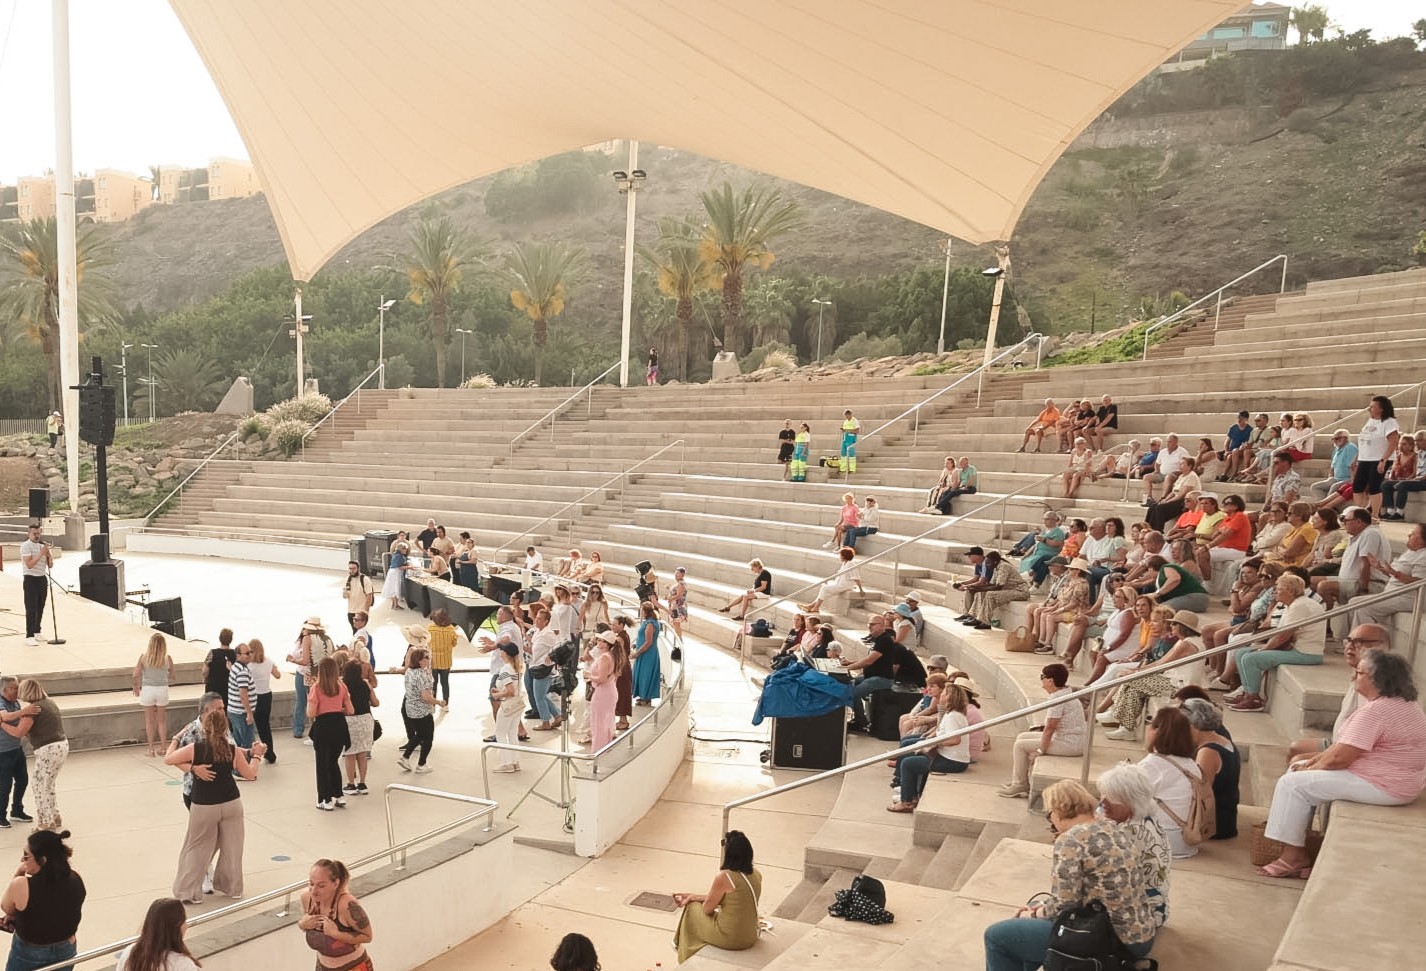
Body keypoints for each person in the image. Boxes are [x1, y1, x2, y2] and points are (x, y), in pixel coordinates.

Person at [1259, 650, 1426, 878]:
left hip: (1386, 785)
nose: (1353, 677)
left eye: (1359, 673)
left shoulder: (1376, 711)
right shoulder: (1406, 704)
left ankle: (1293, 857)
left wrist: (1310, 768)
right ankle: (1297, 844)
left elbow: (1341, 758)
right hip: (1398, 780)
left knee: (1292, 785)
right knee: (1298, 770)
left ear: (1377, 679)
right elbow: (1339, 748)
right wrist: (1311, 764)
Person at [983, 780, 1155, 971]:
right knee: (1031, 915)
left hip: (1108, 939)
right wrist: (1037, 909)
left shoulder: (1071, 840)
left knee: (996, 936)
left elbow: (1065, 904)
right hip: (1139, 934)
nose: (1051, 821)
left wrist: (1032, 914)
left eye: (1049, 815)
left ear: (1059, 810)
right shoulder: (1110, 827)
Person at [165, 706, 263, 901]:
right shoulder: (232, 750)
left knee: (196, 846)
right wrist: (258, 755)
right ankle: (232, 888)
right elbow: (250, 774)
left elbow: (169, 759)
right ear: (225, 728)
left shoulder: (196, 748)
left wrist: (176, 739)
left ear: (205, 728)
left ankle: (189, 892)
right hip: (231, 802)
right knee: (233, 847)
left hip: (204, 804)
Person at [1226, 573, 1327, 713]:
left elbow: (1283, 636)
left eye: (1279, 589)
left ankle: (1254, 700)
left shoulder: (1300, 606)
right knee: (1241, 652)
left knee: (1252, 658)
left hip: (1306, 653)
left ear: (1290, 591)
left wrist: (1264, 649)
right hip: (1293, 648)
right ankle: (1247, 693)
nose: (1275, 592)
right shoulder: (1290, 604)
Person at [1100, 610, 1204, 741]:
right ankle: (1125, 728)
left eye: (1174, 624)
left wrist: (1135, 672)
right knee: (1133, 687)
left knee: (1131, 680)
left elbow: (1160, 664)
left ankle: (1119, 717)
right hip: (1173, 679)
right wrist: (1136, 671)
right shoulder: (1186, 641)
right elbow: (1158, 663)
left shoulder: (1186, 644)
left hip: (1180, 685)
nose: (1171, 627)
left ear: (1183, 627)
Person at [1095, 764, 1171, 934]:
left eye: (1111, 798)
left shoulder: (1129, 832)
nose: (1102, 802)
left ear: (1131, 801)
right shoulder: (1147, 818)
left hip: (1136, 918)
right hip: (1157, 909)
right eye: (1103, 794)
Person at [0, 829, 86, 971]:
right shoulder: (75, 878)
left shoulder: (21, 885)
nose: (22, 860)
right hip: (66, 948)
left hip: (29, 952)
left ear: (43, 860)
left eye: (26, 856)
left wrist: (19, 872)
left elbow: (7, 907)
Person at [672, 830, 762, 963]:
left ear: (729, 853)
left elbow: (707, 909)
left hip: (730, 938)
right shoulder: (756, 874)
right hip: (750, 936)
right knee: (693, 902)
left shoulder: (724, 877)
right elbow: (733, 899)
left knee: (691, 908)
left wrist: (691, 900)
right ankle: (680, 945)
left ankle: (683, 952)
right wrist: (692, 896)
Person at [999, 663, 1086, 798]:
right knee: (1022, 737)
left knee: (1020, 746)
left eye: (1042, 677)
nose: (1041, 680)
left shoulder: (1058, 699)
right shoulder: (1064, 693)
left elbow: (1050, 729)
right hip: (1072, 738)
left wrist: (1040, 750)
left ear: (1050, 680)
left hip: (1070, 743)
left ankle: (1020, 784)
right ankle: (1020, 779)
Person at [888, 683, 973, 812]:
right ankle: (912, 795)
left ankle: (906, 802)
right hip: (949, 757)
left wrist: (934, 743)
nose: (942, 695)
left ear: (950, 697)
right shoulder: (953, 714)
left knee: (908, 763)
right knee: (912, 755)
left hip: (952, 761)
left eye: (945, 693)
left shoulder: (953, 717)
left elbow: (955, 739)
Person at [1138, 707, 1204, 858]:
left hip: (1161, 841)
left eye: (1150, 722)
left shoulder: (1152, 764)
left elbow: (1126, 798)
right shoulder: (1191, 764)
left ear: (1156, 731)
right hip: (1187, 840)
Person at [3, 681, 67, 833]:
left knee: (39, 787)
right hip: (61, 746)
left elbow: (18, 733)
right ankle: (54, 816)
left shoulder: (34, 709)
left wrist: (2, 724)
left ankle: (46, 823)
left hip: (48, 750)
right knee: (48, 784)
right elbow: (29, 730)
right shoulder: (49, 702)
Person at [299, 859, 374, 971]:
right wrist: (302, 924)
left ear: (335, 883)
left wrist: (335, 933)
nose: (314, 891)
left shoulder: (347, 904)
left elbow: (367, 937)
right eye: (311, 883)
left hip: (353, 967)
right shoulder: (307, 898)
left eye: (321, 886)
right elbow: (305, 925)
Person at [1180, 698, 1239, 840]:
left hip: (1215, 825)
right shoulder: (1223, 740)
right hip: (1227, 818)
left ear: (1192, 725)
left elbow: (1198, 794)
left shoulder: (1208, 752)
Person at [1352, 523, 1426, 628]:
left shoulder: (1424, 556)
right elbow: (1394, 574)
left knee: (1363, 607)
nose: (1409, 535)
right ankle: (1350, 637)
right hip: (1393, 593)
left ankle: (1364, 640)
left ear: (1421, 540)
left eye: (1413, 534)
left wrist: (1394, 573)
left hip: (1409, 598)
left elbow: (1419, 582)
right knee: (1353, 602)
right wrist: (1380, 568)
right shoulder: (1411, 552)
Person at [114, 897, 200, 971]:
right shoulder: (183, 964)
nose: (186, 926)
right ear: (176, 926)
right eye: (184, 921)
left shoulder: (130, 952)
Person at [1352, 394, 1400, 522]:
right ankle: (1360, 511)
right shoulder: (1370, 420)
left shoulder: (1389, 422)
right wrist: (1357, 458)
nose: (1369, 409)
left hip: (1379, 458)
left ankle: (1374, 515)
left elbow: (1393, 442)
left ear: (1381, 409)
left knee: (1374, 486)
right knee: (1357, 486)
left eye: (1372, 407)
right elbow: (1364, 440)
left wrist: (1383, 460)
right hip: (1365, 458)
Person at [398, 648, 444, 773]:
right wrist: (439, 702)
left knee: (419, 734)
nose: (429, 660)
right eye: (426, 658)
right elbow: (426, 697)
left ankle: (405, 757)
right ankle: (421, 764)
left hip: (411, 708)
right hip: (422, 711)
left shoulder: (410, 672)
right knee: (428, 737)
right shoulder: (421, 675)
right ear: (419, 661)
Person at [0, 679, 38, 830]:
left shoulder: (15, 702)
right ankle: (0, 816)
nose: (18, 691)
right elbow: (5, 717)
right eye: (15, 688)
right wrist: (25, 711)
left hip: (16, 749)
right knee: (4, 786)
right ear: (6, 689)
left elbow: (19, 720)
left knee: (22, 780)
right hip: (2, 753)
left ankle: (17, 810)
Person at [133, 632, 175, 757]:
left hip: (148, 689)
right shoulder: (167, 658)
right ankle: (163, 748)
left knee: (149, 721)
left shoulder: (143, 657)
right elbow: (173, 676)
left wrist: (135, 686)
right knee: (162, 721)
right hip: (162, 689)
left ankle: (151, 749)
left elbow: (135, 674)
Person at [341, 659, 377, 796]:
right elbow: (376, 702)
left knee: (350, 754)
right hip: (365, 721)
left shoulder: (342, 685)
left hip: (349, 721)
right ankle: (362, 783)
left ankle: (351, 784)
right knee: (362, 754)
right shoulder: (366, 684)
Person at [490, 643, 525, 773]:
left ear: (505, 653)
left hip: (508, 704)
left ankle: (507, 763)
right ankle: (515, 761)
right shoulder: (516, 667)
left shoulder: (505, 669)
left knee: (500, 733)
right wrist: (500, 689)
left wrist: (497, 694)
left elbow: (510, 690)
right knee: (512, 733)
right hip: (517, 704)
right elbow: (513, 687)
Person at [798, 547, 865, 613]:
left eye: (840, 555)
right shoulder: (845, 563)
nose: (839, 557)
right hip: (840, 583)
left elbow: (856, 577)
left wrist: (861, 589)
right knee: (825, 591)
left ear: (844, 556)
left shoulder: (851, 564)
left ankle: (816, 607)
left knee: (824, 589)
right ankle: (811, 606)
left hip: (844, 585)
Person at [246, 639, 280, 765]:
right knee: (265, 726)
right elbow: (277, 675)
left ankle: (252, 752)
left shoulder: (249, 666)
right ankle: (270, 752)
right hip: (266, 695)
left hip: (254, 697)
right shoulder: (268, 661)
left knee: (251, 725)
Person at [18, 524, 51, 646]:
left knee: (40, 606)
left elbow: (50, 565)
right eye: (34, 534)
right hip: (30, 579)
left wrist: (48, 554)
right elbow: (29, 565)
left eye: (38, 533)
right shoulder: (25, 546)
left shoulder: (42, 546)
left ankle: (37, 631)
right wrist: (42, 553)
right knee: (31, 608)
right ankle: (29, 635)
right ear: (29, 534)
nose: (37, 536)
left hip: (42, 578)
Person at [1380, 435, 1425, 520]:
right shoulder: (1398, 456)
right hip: (1400, 479)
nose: (1400, 446)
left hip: (1413, 480)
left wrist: (1409, 479)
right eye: (1400, 444)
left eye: (1404, 444)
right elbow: (1393, 470)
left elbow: (1415, 472)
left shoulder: (1416, 456)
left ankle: (1400, 513)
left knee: (1402, 484)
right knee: (1385, 484)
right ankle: (1390, 511)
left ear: (1411, 446)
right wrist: (1391, 478)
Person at [586, 631, 617, 751]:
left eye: (600, 640)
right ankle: (604, 750)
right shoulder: (610, 656)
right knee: (605, 723)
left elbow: (601, 678)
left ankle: (597, 752)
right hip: (608, 691)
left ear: (606, 644)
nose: (597, 642)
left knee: (598, 724)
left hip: (603, 693)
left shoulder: (605, 657)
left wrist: (589, 677)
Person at [226, 642, 257, 751]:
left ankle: (236, 766)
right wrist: (249, 713)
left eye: (251, 652)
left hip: (234, 711)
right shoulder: (242, 672)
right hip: (241, 713)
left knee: (237, 742)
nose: (250, 655)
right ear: (238, 655)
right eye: (247, 653)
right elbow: (243, 694)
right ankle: (245, 766)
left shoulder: (236, 667)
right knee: (248, 744)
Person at [632, 602, 662, 706]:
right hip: (644, 652)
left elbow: (648, 642)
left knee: (646, 675)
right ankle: (643, 696)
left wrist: (638, 652)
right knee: (642, 674)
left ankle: (646, 698)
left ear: (644, 611)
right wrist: (637, 645)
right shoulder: (649, 622)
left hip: (648, 654)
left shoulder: (650, 624)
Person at [426, 607, 457, 704]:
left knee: (433, 683)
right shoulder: (451, 629)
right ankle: (445, 703)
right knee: (445, 683)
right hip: (446, 661)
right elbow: (454, 643)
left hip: (433, 661)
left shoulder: (430, 628)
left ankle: (434, 703)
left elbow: (427, 642)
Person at [342, 561, 374, 634]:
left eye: (354, 568)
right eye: (350, 568)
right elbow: (344, 596)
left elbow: (369, 595)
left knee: (360, 633)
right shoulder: (347, 579)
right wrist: (345, 593)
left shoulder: (364, 579)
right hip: (351, 611)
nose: (351, 570)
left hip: (361, 612)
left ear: (358, 568)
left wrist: (366, 612)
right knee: (355, 632)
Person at [380, 541, 411, 609]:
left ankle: (395, 604)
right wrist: (409, 567)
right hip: (395, 573)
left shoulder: (397, 555)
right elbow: (399, 567)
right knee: (394, 588)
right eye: (405, 549)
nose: (406, 551)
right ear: (402, 549)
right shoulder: (398, 556)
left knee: (393, 588)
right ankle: (395, 604)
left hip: (394, 573)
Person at [839, 409, 859, 473]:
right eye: (845, 416)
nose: (846, 417)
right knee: (843, 453)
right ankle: (843, 468)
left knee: (851, 454)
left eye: (847, 415)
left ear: (850, 414)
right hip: (845, 438)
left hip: (851, 439)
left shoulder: (855, 421)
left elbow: (857, 431)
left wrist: (847, 430)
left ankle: (852, 469)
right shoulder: (845, 421)